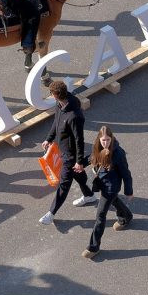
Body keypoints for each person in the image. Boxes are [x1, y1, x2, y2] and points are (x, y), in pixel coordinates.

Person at [38, 81, 96, 225]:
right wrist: (49, 138)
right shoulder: (60, 104)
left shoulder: (74, 116)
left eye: (51, 93)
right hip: (61, 150)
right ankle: (89, 196)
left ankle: (51, 213)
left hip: (70, 156)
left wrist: (79, 161)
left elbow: (79, 140)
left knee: (64, 184)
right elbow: (56, 122)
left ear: (55, 95)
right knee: (79, 175)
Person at [83, 125, 134, 259]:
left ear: (111, 138)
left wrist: (129, 191)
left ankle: (93, 247)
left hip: (111, 188)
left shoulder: (118, 153)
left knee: (100, 215)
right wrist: (80, 164)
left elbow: (126, 174)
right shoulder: (97, 147)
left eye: (108, 140)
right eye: (103, 140)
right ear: (99, 139)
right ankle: (126, 216)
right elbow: (91, 158)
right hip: (102, 183)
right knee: (114, 200)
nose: (105, 143)